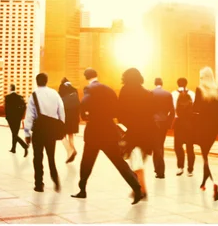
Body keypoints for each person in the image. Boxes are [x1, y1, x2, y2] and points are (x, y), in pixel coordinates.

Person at [72, 68, 143, 205]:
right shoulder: (109, 89)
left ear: (86, 77)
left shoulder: (89, 88)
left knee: (87, 162)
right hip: (109, 131)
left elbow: (84, 104)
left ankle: (82, 190)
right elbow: (117, 109)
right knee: (119, 162)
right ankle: (137, 188)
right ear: (96, 75)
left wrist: (85, 115)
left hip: (94, 132)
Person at [117, 68, 155, 199]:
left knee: (136, 162)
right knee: (138, 160)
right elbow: (151, 113)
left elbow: (120, 112)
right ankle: (139, 188)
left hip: (133, 131)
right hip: (147, 132)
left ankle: (142, 190)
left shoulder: (125, 91)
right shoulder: (147, 93)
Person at [24, 73, 65, 192]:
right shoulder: (55, 94)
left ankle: (39, 184)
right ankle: (55, 179)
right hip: (51, 130)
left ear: (37, 81)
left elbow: (30, 115)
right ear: (46, 81)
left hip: (39, 130)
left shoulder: (34, 95)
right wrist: (60, 127)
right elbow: (61, 111)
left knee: (38, 157)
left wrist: (27, 133)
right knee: (51, 157)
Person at [193, 67, 218, 201]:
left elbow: (195, 108)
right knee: (205, 155)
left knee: (205, 156)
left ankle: (213, 182)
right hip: (214, 128)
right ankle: (204, 183)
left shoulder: (200, 90)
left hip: (201, 126)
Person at [171, 77, 196, 177]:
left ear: (177, 83)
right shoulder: (193, 94)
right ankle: (190, 170)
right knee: (190, 147)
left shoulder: (173, 94)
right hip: (190, 123)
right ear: (186, 83)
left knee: (178, 146)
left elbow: (172, 109)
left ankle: (180, 167)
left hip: (179, 123)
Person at [151, 77, 175, 179]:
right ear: (162, 83)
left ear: (154, 83)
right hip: (164, 122)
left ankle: (160, 170)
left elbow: (147, 110)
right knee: (160, 145)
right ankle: (158, 169)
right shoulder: (168, 94)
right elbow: (172, 111)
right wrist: (168, 123)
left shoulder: (150, 93)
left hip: (154, 123)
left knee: (156, 147)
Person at [59, 77, 79, 164]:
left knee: (61, 134)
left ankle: (70, 150)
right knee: (70, 134)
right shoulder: (74, 90)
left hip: (65, 115)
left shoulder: (62, 88)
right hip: (74, 116)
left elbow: (59, 102)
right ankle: (71, 151)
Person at [5, 84, 28, 157]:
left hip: (11, 119)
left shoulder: (7, 97)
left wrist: (7, 117)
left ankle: (25, 146)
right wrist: (21, 116)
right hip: (18, 119)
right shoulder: (20, 97)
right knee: (15, 133)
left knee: (14, 134)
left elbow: (6, 109)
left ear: (10, 88)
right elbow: (24, 106)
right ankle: (13, 148)